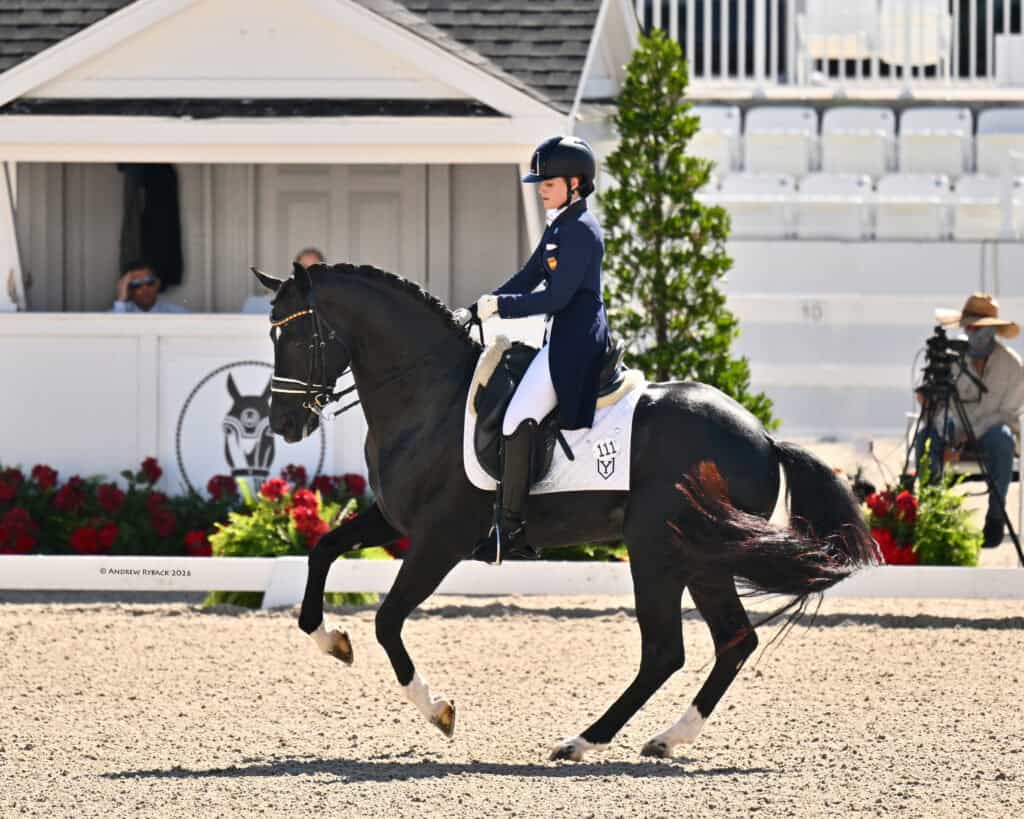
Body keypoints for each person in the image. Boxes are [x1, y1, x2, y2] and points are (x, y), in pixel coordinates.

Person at [470, 135, 609, 562]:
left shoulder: (582, 231)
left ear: (575, 183)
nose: (540, 188)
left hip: (575, 341)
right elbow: (529, 277)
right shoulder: (560, 226)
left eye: (547, 183)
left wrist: (503, 307)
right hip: (561, 335)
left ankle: (510, 531)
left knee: (517, 417)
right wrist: (480, 308)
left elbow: (556, 298)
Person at [916, 293, 1024, 548]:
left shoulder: (1012, 366)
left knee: (1003, 440)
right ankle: (932, 513)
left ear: (991, 331)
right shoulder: (949, 361)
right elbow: (941, 410)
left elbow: (1007, 415)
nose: (972, 332)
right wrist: (947, 440)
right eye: (969, 326)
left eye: (978, 327)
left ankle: (995, 516)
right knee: (926, 439)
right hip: (954, 434)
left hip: (991, 437)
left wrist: (966, 438)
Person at [111, 261, 187, 314]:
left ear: (157, 284)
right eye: (137, 285)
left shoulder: (175, 312)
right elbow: (109, 330)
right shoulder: (121, 310)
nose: (145, 289)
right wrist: (121, 299)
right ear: (128, 289)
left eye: (149, 283)